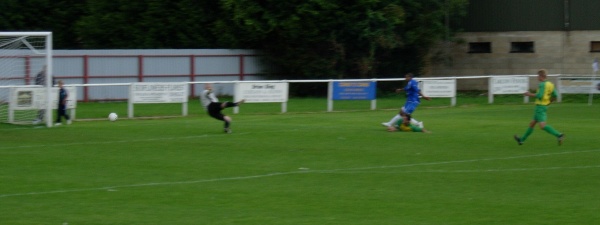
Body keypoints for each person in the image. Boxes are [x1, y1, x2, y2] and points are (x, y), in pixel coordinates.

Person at [514, 69, 564, 145]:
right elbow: (555, 95)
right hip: (544, 106)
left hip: (540, 107)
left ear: (541, 76)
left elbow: (540, 96)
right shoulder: (550, 84)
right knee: (532, 124)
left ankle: (559, 135)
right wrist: (549, 102)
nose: (537, 77)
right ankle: (521, 140)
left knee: (542, 126)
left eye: (538, 76)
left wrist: (529, 94)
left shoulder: (542, 84)